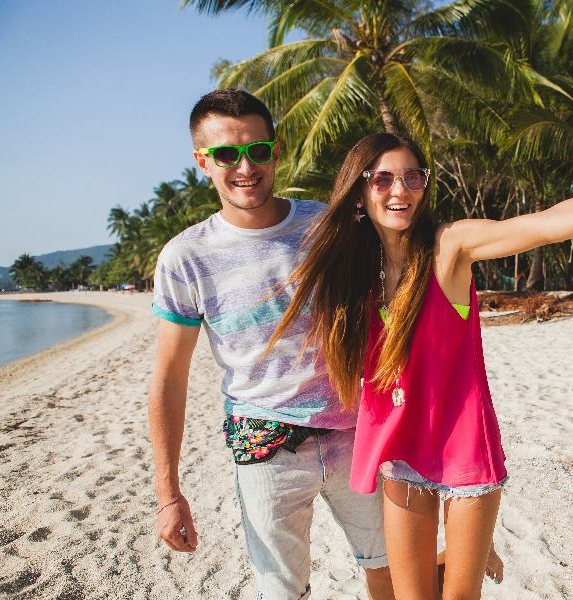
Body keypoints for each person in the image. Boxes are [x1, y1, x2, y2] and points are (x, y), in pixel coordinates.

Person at [269, 132, 573, 598]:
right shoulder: (353, 274)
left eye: (413, 176)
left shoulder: (449, 247)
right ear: (358, 192)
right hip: (400, 453)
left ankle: (470, 546)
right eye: (382, 179)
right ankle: (460, 551)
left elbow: (551, 222)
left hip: (464, 447)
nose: (400, 190)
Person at [147, 89, 394, 600]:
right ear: (202, 162)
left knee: (389, 566)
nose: (245, 166)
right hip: (264, 443)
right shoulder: (185, 257)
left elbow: (399, 284)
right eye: (226, 154)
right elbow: (170, 379)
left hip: (358, 432)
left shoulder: (329, 226)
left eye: (257, 150)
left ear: (274, 152)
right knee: (282, 590)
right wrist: (168, 494)